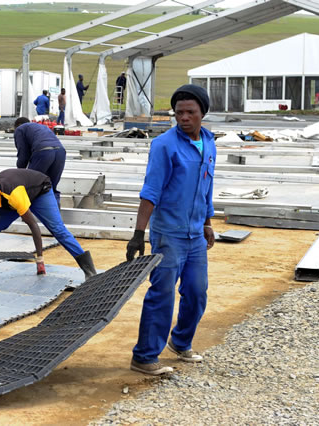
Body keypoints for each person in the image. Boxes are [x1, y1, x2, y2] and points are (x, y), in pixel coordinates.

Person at [126, 84, 216, 376]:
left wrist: (207, 222)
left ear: (203, 113)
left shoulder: (209, 142)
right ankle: (144, 356)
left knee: (196, 291)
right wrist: (139, 234)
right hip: (169, 234)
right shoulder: (165, 145)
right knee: (162, 293)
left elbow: (207, 186)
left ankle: (180, 341)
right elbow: (151, 190)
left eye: (190, 112)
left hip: (195, 235)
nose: (184, 118)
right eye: (179, 113)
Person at [0, 168, 96, 279]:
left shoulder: (13, 195)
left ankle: (88, 270)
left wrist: (39, 259)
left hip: (40, 193)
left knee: (57, 229)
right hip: (11, 200)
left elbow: (33, 226)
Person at [13, 117, 65, 207]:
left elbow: (23, 153)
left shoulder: (20, 129)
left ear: (17, 126)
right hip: (60, 152)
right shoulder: (41, 127)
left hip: (43, 152)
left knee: (30, 185)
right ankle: (55, 216)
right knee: (51, 186)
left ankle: (27, 215)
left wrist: (20, 172)